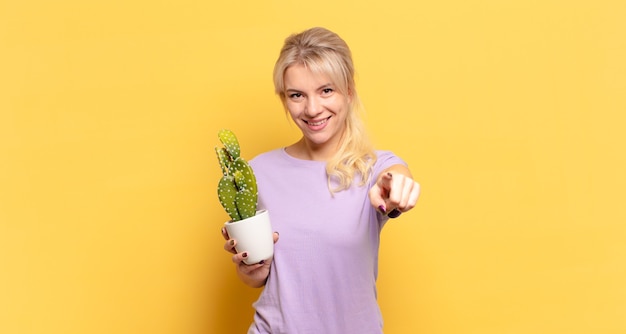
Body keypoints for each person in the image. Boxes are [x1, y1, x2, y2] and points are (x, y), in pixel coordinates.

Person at [220, 27, 420, 333]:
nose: (312, 109)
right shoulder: (257, 173)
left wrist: (398, 189)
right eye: (297, 95)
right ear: (284, 99)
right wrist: (250, 269)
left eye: (326, 90)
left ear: (349, 91)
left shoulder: (373, 168)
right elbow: (258, 279)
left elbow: (395, 178)